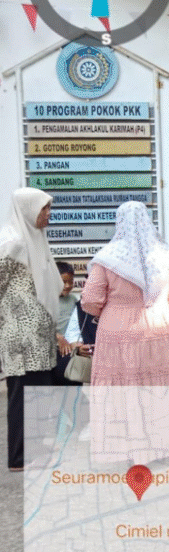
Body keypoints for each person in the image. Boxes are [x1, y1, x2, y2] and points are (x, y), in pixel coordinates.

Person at [81, 201, 169, 464]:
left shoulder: (107, 259)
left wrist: (111, 310)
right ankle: (164, 445)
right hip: (158, 330)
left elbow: (90, 300)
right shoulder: (167, 257)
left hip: (116, 332)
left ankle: (127, 448)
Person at [0, 189, 60, 470]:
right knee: (22, 394)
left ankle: (35, 451)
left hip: (41, 331)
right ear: (27, 209)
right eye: (43, 209)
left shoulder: (36, 239)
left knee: (40, 391)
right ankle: (18, 457)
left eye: (48, 209)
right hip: (20, 335)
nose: (48, 214)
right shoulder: (11, 243)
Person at [55, 261, 77, 350]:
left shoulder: (73, 299)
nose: (67, 286)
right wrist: (58, 337)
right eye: (63, 282)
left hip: (70, 345)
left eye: (70, 282)